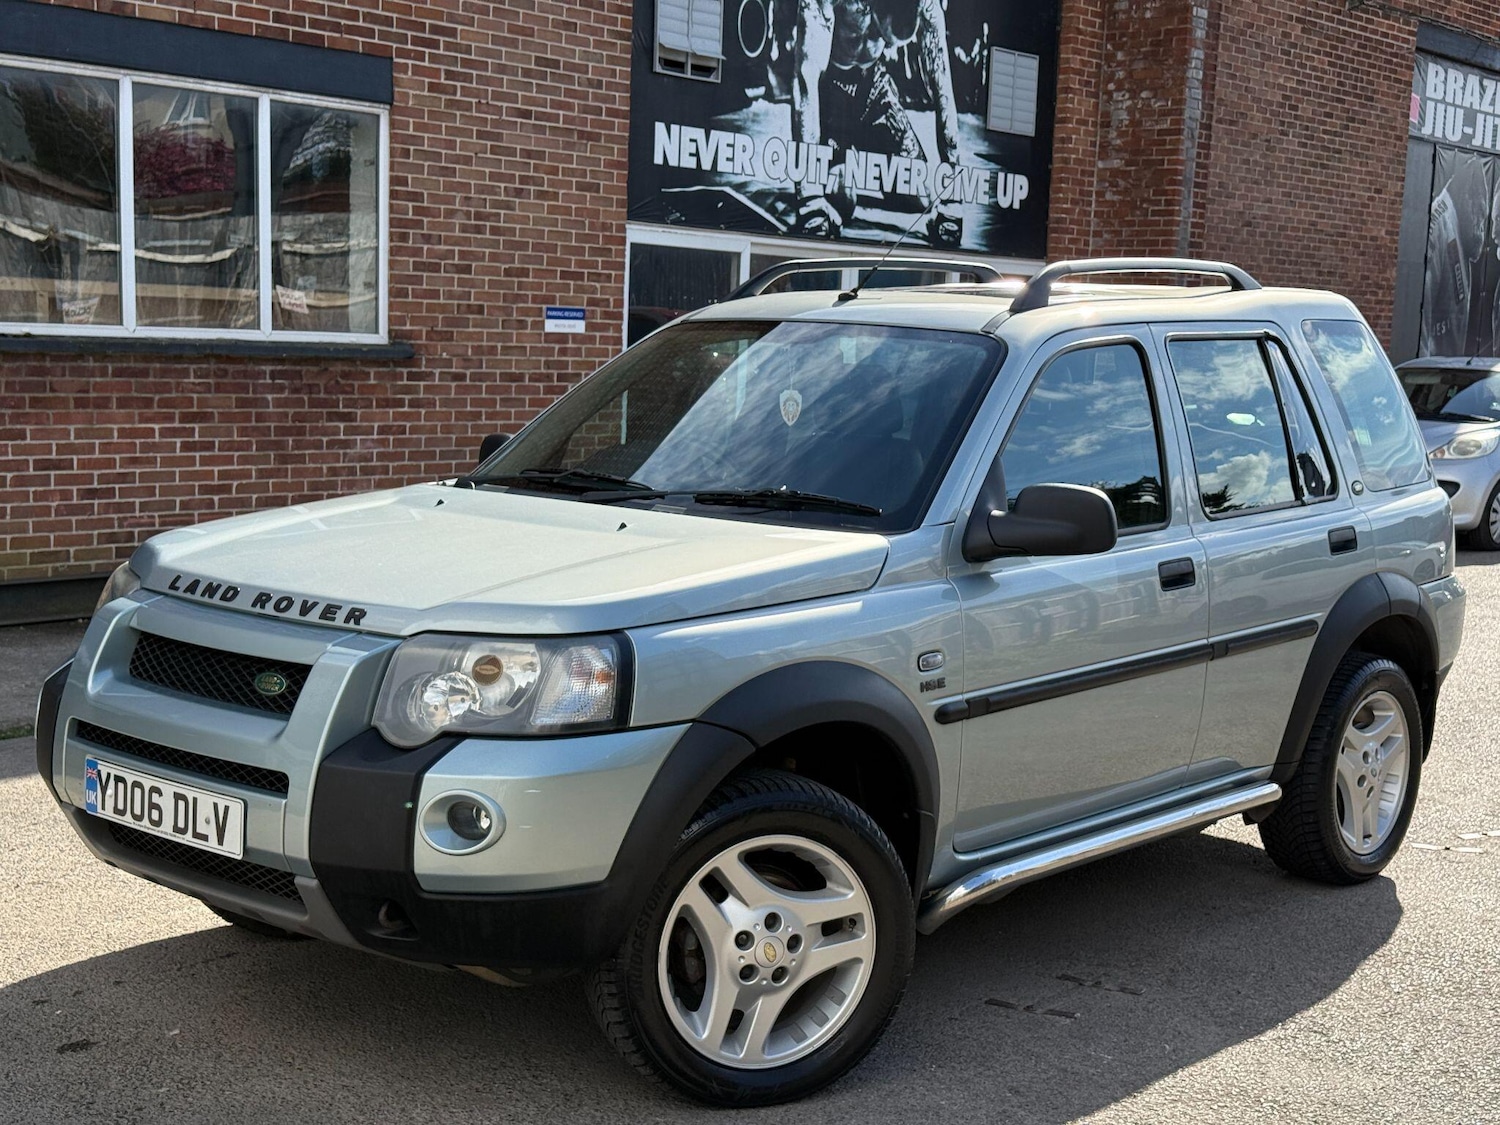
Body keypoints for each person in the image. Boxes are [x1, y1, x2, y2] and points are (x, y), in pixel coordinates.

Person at [791, 0, 962, 246]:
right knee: (842, 200)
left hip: (875, 87)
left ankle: (857, 166)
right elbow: (805, 80)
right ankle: (841, 162)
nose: (887, 44)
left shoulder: (927, 2)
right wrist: (809, 199)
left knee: (918, 197)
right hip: (832, 95)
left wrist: (952, 201)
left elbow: (942, 86)